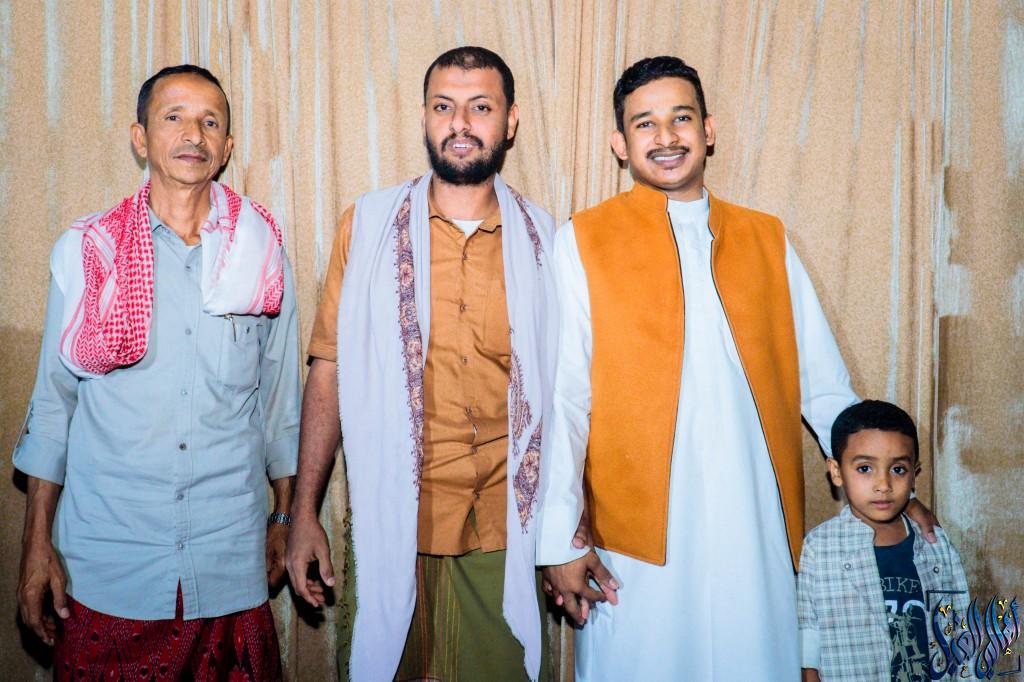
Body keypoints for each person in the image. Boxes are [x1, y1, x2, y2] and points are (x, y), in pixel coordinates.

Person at [535, 56, 938, 681]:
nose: (666, 137)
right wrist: (559, 539)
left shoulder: (765, 238)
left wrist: (886, 482)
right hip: (635, 537)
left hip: (755, 521)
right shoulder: (583, 240)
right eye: (645, 123)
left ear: (709, 129)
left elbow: (825, 386)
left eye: (681, 118)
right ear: (620, 143)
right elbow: (564, 398)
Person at [13, 64, 299, 681]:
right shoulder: (88, 252)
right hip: (109, 569)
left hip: (229, 563)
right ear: (141, 138)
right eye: (174, 117)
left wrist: (286, 517)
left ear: (227, 146)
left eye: (210, 122)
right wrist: (36, 544)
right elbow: (54, 406)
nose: (193, 134)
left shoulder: (261, 252)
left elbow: (281, 404)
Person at [285, 47, 555, 682]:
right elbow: (329, 370)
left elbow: (570, 395)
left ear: (511, 120)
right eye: (444, 106)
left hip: (505, 532)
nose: (460, 123)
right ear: (425, 117)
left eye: (480, 107)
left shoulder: (547, 241)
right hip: (394, 523)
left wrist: (572, 527)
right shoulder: (368, 227)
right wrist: (303, 514)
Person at [798, 400, 969, 682]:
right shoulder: (819, 547)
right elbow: (808, 633)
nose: (883, 485)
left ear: (914, 473)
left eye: (898, 469)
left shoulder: (935, 544)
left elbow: (960, 628)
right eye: (865, 468)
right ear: (837, 471)